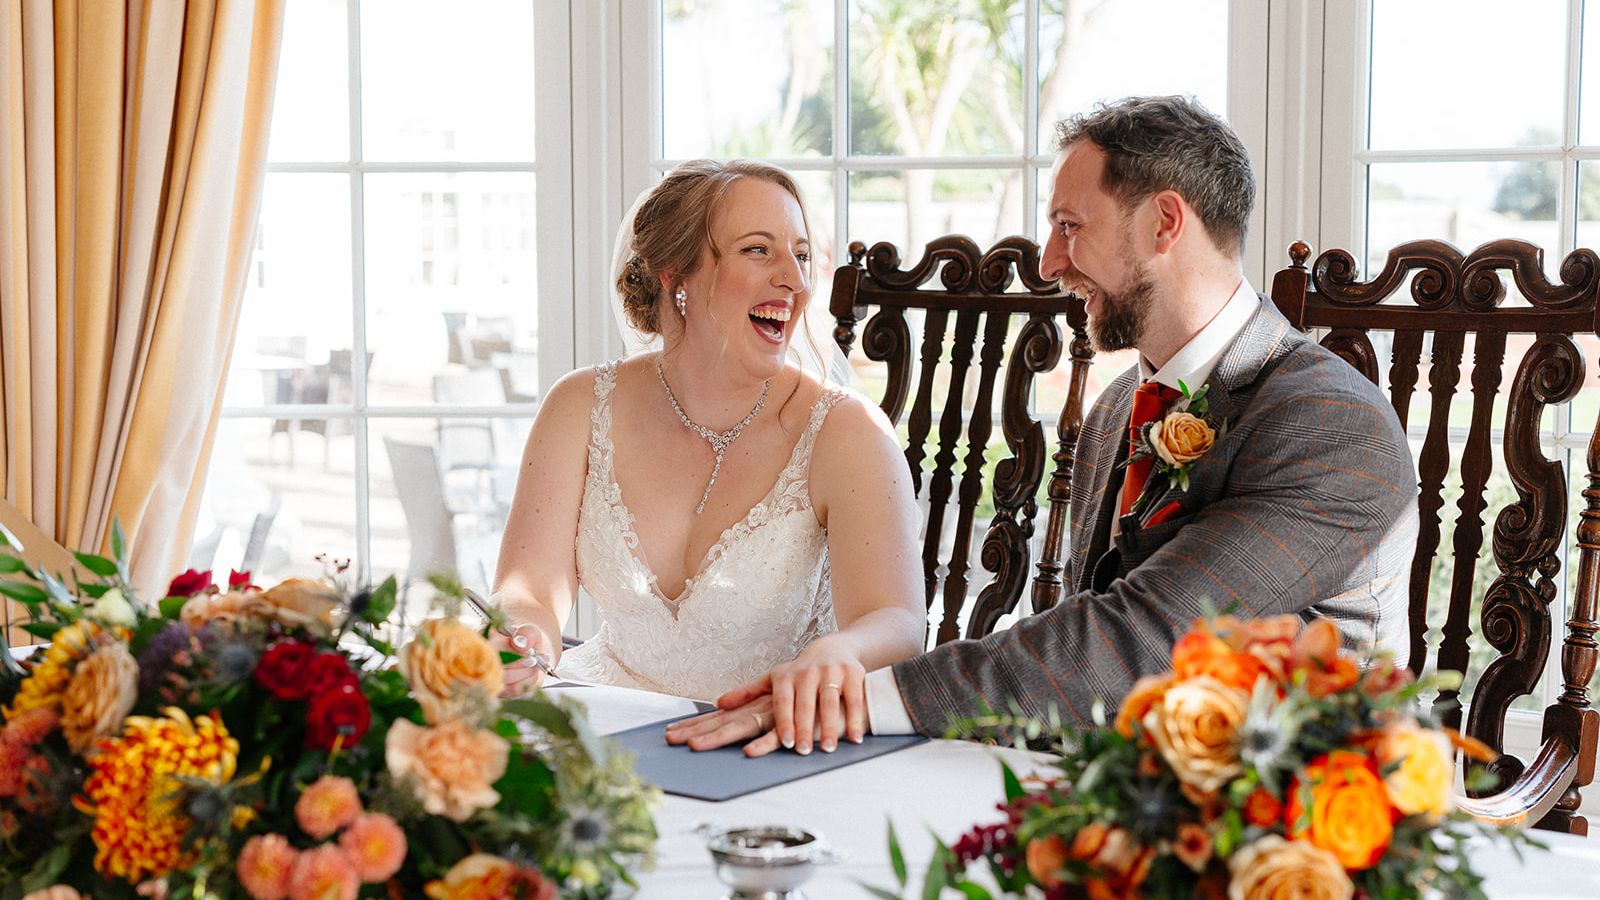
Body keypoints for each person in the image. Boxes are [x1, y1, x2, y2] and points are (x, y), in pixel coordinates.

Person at [668, 95, 1417, 753]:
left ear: (1164, 223)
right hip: (1113, 795)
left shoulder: (1333, 426)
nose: (1050, 261)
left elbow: (1141, 638)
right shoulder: (1118, 409)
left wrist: (860, 701)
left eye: (1068, 225)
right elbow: (1075, 657)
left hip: (1299, 819)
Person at [490, 159, 926, 754]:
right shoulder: (578, 406)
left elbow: (897, 623)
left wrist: (841, 651)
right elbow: (528, 593)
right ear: (677, 277)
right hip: (603, 729)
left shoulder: (847, 433)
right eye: (758, 250)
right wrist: (521, 638)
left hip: (768, 743)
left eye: (800, 255)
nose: (795, 282)